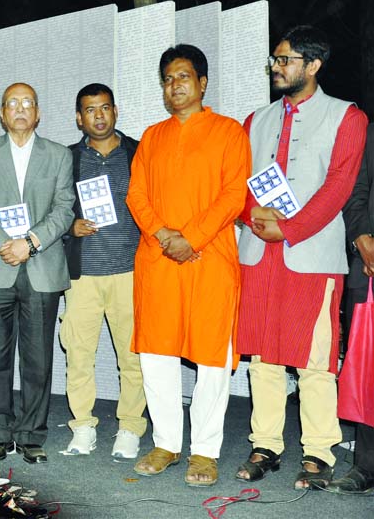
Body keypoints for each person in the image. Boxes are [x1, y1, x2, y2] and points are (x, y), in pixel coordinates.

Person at [236, 26, 368, 490]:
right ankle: (266, 443)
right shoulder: (256, 120)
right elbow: (237, 183)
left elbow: (339, 188)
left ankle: (318, 451)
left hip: (311, 258)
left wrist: (288, 228)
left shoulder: (347, 117)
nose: (277, 67)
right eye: (275, 59)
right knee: (263, 358)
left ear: (313, 65)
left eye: (286, 59)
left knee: (314, 360)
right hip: (258, 254)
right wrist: (252, 217)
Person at [126, 45, 250, 487]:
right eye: (167, 79)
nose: (174, 86)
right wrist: (164, 236)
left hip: (209, 259)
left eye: (183, 77)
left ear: (202, 83)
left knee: (211, 358)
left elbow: (234, 195)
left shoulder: (229, 132)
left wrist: (191, 238)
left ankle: (204, 450)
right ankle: (165, 443)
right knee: (157, 354)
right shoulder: (152, 136)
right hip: (159, 260)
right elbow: (136, 195)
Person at [0, 82, 75, 465]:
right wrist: (3, 244)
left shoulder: (59, 155)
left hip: (42, 265)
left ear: (38, 112)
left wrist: (29, 243)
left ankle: (31, 434)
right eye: (12, 103)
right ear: (2, 114)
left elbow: (64, 208)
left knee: (37, 357)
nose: (21, 109)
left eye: (28, 102)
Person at [61, 83, 146, 460]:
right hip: (82, 274)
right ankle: (82, 427)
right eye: (90, 110)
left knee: (133, 356)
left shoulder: (140, 152)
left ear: (115, 111)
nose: (99, 116)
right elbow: (52, 207)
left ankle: (130, 427)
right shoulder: (66, 158)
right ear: (79, 118)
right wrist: (70, 225)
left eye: (105, 108)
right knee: (78, 354)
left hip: (130, 271)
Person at [333, 122, 374, 495]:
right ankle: (366, 466)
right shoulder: (370, 134)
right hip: (371, 265)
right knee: (367, 369)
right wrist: (363, 239)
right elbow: (355, 196)